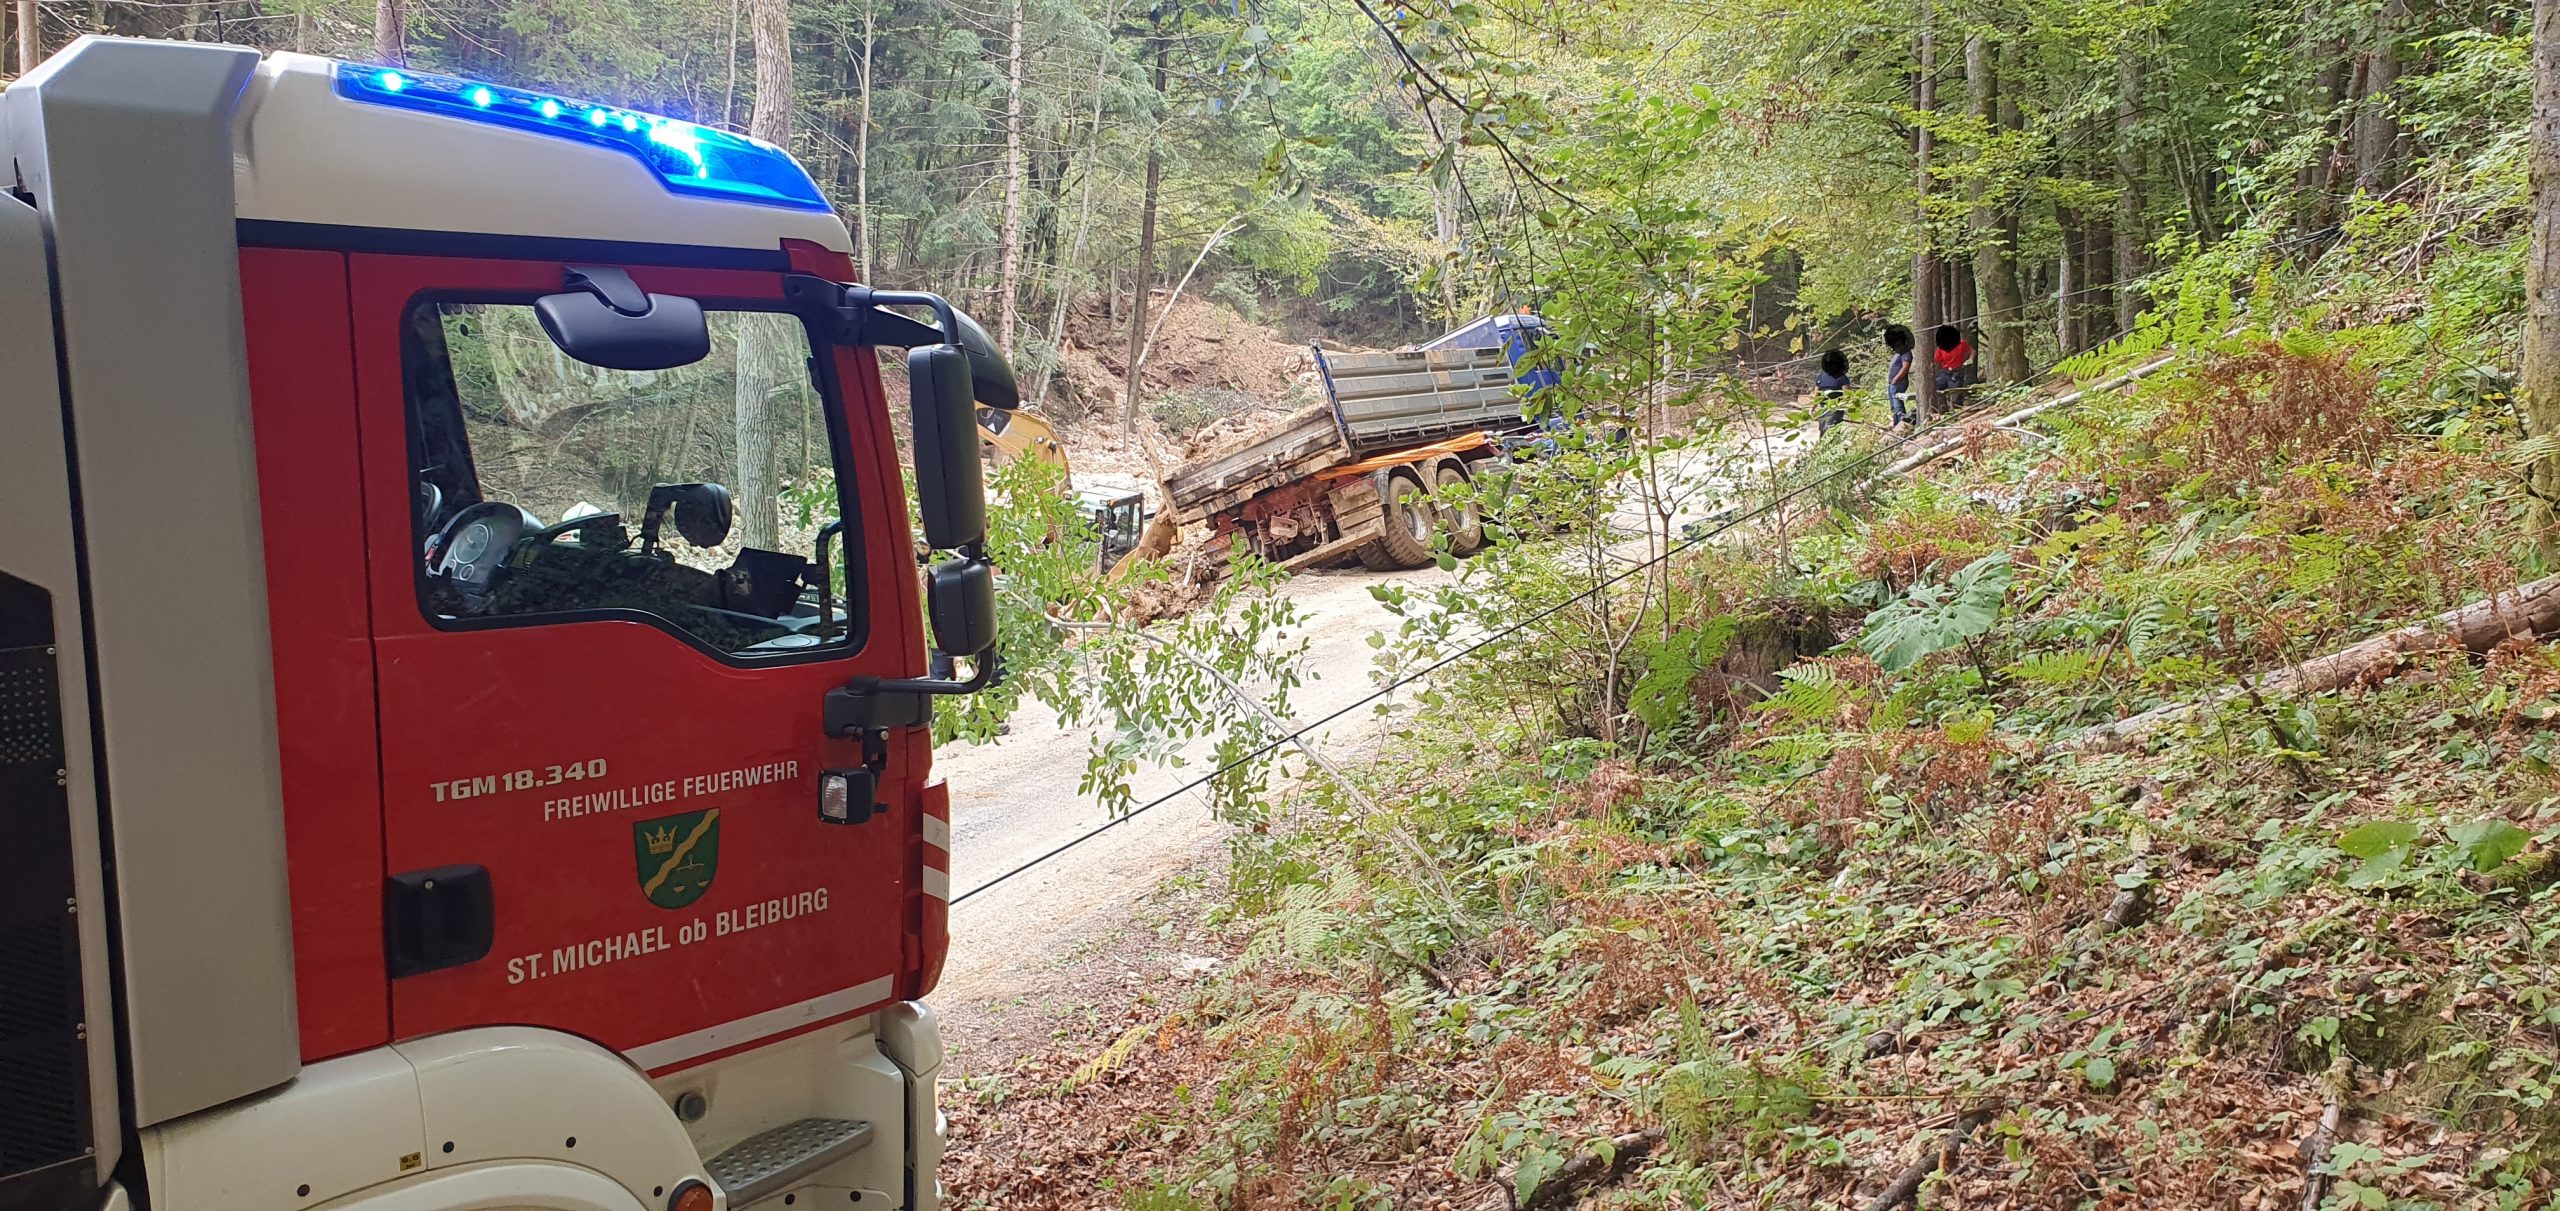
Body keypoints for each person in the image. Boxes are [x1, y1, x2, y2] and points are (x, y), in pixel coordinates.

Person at [1933, 324, 1977, 412]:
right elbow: (1936, 360)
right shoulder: (1941, 347)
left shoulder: (1961, 344)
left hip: (1957, 371)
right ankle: (1943, 407)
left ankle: (1956, 410)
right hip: (1945, 372)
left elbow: (1973, 351)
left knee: (1955, 391)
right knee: (1936, 386)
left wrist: (1970, 360)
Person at [1882, 324, 1915, 428]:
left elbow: (1905, 368)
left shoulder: (1906, 352)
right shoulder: (1897, 353)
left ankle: (1903, 426)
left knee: (1898, 406)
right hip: (1892, 384)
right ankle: (1896, 425)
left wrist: (1895, 380)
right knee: (1894, 407)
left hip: (1899, 383)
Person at [1814, 348, 1850, 433]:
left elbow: (1847, 395)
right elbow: (1816, 394)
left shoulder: (1841, 378)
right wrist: (1813, 407)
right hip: (1823, 408)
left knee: (1831, 430)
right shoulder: (1821, 376)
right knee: (1823, 430)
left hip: (1836, 409)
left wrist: (1847, 408)